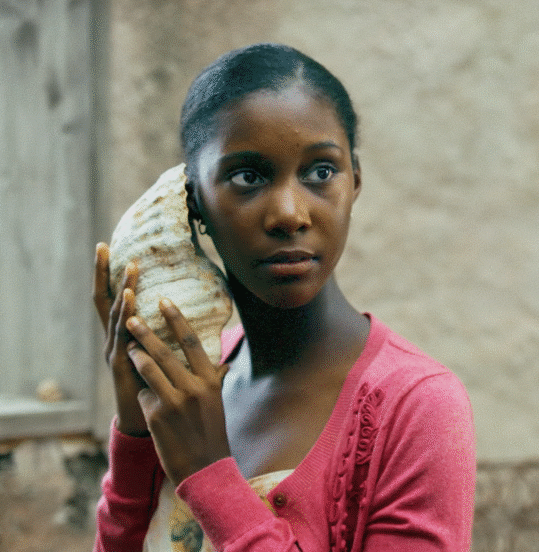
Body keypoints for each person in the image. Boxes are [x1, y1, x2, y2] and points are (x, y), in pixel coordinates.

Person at [91, 43, 476, 552]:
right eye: (248, 176)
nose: (290, 213)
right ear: (194, 202)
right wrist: (137, 431)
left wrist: (209, 475)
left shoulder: (417, 407)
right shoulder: (188, 389)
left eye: (321, 171)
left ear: (354, 181)